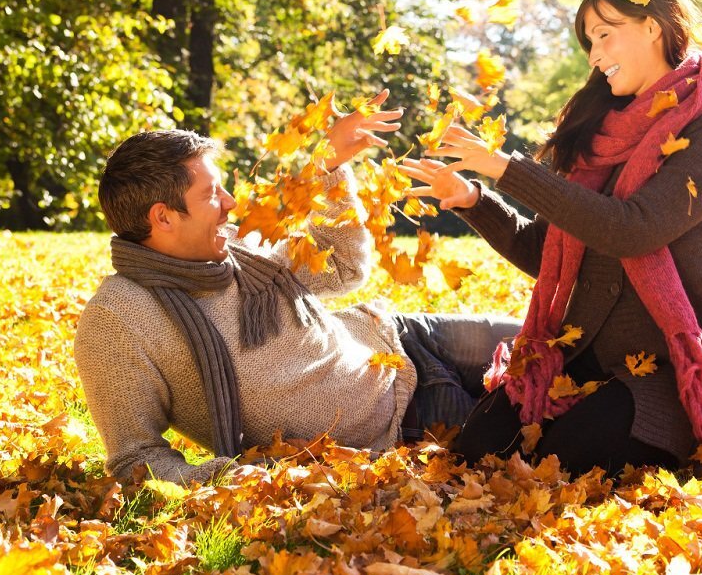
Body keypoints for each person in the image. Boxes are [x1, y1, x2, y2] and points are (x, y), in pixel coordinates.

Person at [400, 0, 702, 477]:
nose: (595, 56)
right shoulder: (601, 139)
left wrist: (509, 170)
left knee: (560, 460)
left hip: (667, 372)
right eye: (589, 43)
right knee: (474, 455)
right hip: (581, 361)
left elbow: (633, 229)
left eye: (604, 35)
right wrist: (473, 200)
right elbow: (542, 249)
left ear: (653, 26)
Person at [74, 91, 520, 485]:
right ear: (163, 217)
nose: (230, 204)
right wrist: (222, 477)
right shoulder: (119, 320)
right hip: (406, 420)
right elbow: (135, 457)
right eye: (212, 195)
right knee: (562, 428)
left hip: (405, 339)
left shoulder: (238, 251)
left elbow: (343, 265)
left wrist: (330, 167)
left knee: (561, 342)